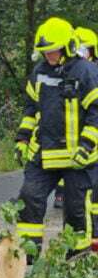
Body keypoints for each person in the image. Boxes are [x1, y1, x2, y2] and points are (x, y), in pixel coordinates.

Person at [13, 17, 98, 259]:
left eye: (53, 50)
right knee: (29, 197)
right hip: (44, 153)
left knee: (75, 210)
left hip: (77, 157)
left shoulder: (87, 72)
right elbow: (30, 109)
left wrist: (87, 145)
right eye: (45, 51)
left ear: (67, 47)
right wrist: (22, 139)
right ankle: (27, 255)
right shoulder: (39, 73)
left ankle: (76, 256)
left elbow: (96, 113)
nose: (49, 55)